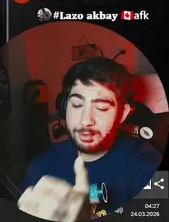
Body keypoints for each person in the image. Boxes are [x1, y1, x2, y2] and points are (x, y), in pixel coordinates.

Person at [17, 58, 161, 219]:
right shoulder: (41, 165)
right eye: (77, 104)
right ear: (65, 108)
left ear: (122, 114)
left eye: (101, 107)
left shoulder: (146, 164)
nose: (85, 120)